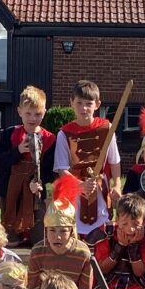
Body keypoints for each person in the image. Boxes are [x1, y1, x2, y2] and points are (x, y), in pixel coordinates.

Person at [53, 79, 122, 245]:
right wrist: (80, 185)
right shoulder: (64, 134)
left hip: (100, 191)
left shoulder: (107, 129)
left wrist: (117, 185)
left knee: (101, 240)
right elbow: (62, 169)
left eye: (88, 103)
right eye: (79, 103)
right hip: (75, 193)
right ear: (71, 103)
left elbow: (114, 161)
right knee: (75, 240)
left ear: (97, 104)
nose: (84, 108)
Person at [0, 85, 55, 247]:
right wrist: (18, 151)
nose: (32, 118)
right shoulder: (10, 134)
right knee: (11, 242)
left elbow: (51, 171)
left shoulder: (50, 139)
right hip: (10, 197)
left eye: (38, 114)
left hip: (35, 197)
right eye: (28, 113)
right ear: (19, 111)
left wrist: (40, 182)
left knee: (40, 242)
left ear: (45, 112)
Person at [26, 174, 93, 289]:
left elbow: (85, 286)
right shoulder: (38, 251)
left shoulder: (82, 253)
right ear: (45, 230)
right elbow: (31, 285)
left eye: (63, 231)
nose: (57, 236)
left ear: (72, 230)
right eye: (52, 230)